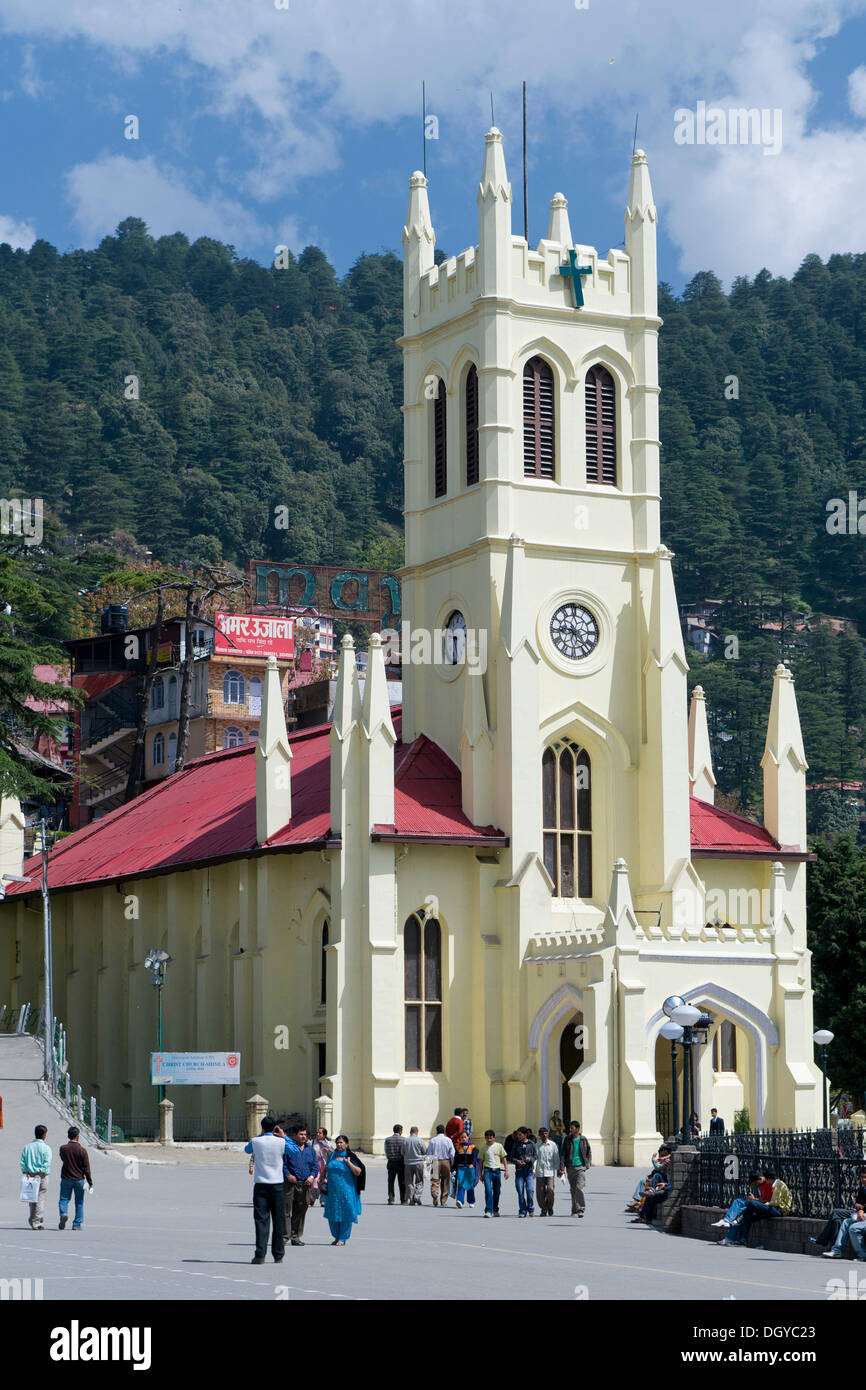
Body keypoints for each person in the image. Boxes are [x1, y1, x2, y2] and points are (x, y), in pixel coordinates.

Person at [244, 1116, 291, 1264]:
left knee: (261, 1221)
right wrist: (284, 1136)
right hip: (277, 1185)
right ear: (275, 1128)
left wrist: (261, 1135)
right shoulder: (281, 1142)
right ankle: (278, 1255)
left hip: (261, 1185)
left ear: (262, 1127)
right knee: (279, 1221)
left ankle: (260, 1254)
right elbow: (295, 1151)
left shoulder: (257, 1141)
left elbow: (247, 1149)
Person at [720, 1168, 792, 1247]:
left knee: (751, 1203)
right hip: (772, 1208)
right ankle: (742, 1241)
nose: (767, 1183)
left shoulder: (779, 1185)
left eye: (767, 1180)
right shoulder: (775, 1185)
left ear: (770, 1179)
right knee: (747, 1216)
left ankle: (733, 1221)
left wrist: (758, 1203)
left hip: (778, 1209)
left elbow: (775, 1202)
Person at [812, 1166, 866, 1250]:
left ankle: (822, 1239)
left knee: (836, 1212)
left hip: (862, 1214)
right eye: (862, 1177)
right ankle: (834, 1249)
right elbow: (858, 1203)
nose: (863, 1179)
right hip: (857, 1213)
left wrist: (860, 1209)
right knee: (837, 1221)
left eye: (865, 1177)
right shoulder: (862, 1189)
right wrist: (858, 1206)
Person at [322, 1135, 363, 1245]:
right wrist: (321, 1181)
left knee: (345, 1213)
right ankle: (336, 1236)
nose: (339, 1145)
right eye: (337, 1143)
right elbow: (326, 1169)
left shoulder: (350, 1156)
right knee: (333, 1213)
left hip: (346, 1190)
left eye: (341, 1142)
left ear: (346, 1144)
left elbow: (358, 1172)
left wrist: (349, 1163)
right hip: (332, 1191)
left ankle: (342, 1238)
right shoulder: (332, 1156)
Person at [282, 1124, 318, 1247]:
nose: (303, 1137)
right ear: (294, 1135)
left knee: (301, 1211)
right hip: (290, 1184)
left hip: (305, 1185)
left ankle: (296, 1236)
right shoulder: (288, 1149)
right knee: (286, 1210)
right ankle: (284, 1236)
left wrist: (311, 1177)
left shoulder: (310, 1150)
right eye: (301, 1134)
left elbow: (315, 1166)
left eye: (305, 1134)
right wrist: (288, 1175)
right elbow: (283, 1164)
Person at [58, 1125, 92, 1231]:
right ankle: (77, 1224)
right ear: (77, 1136)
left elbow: (63, 1159)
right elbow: (86, 1168)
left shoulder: (63, 1148)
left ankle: (63, 1213)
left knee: (64, 1199)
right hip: (79, 1179)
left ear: (68, 1136)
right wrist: (90, 1181)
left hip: (66, 1178)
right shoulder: (82, 1150)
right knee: (79, 1202)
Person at [20, 1123, 52, 1230]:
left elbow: (23, 1161)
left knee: (32, 1198)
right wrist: (41, 1173)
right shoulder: (46, 1148)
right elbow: (47, 1163)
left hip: (30, 1175)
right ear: (44, 1135)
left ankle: (32, 1219)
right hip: (42, 1176)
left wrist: (26, 1172)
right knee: (41, 1198)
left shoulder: (27, 1147)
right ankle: (37, 1221)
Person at [559, 1120, 591, 1217]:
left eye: (572, 1128)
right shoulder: (567, 1139)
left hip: (580, 1167)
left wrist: (588, 1162)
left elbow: (589, 1151)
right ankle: (574, 1209)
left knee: (579, 1188)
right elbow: (563, 1154)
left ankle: (581, 1209)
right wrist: (562, 1168)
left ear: (577, 1129)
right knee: (573, 1189)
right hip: (570, 1167)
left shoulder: (583, 1139)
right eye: (570, 1128)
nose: (570, 1130)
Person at [631, 1149, 672, 1226]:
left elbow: (673, 1185)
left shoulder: (672, 1172)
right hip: (666, 1188)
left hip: (669, 1192)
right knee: (650, 1195)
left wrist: (665, 1185)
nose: (666, 1166)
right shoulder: (668, 1172)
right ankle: (645, 1217)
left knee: (652, 1195)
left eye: (668, 1164)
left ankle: (644, 1217)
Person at [479, 1129, 509, 1217]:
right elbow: (481, 1162)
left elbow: (504, 1159)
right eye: (487, 1138)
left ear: (494, 1138)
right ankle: (488, 1210)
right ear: (485, 1138)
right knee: (488, 1190)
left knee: (497, 1191)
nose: (489, 1140)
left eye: (491, 1138)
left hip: (497, 1171)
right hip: (487, 1171)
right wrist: (480, 1174)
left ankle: (495, 1209)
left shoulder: (499, 1146)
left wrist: (506, 1170)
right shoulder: (483, 1147)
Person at [427, 1124, 455, 1207]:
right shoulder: (448, 1140)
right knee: (446, 1181)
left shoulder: (433, 1140)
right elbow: (452, 1153)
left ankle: (435, 1194)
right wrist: (452, 1163)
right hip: (446, 1161)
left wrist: (428, 1165)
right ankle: (443, 1200)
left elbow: (429, 1153)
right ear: (444, 1131)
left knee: (435, 1180)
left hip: (435, 1162)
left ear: (436, 1131)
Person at [512, 1127, 537, 1217]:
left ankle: (530, 1208)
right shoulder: (516, 1144)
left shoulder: (532, 1144)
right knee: (520, 1191)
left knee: (530, 1190)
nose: (518, 1136)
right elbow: (511, 1157)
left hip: (529, 1171)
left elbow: (535, 1156)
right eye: (517, 1134)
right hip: (519, 1171)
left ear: (525, 1134)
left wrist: (530, 1159)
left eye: (520, 1134)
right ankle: (522, 1210)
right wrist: (517, 1161)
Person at [535, 1127, 560, 1217]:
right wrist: (534, 1170)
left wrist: (558, 1170)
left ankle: (550, 1206)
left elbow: (556, 1158)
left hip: (550, 1171)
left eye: (546, 1133)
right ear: (539, 1135)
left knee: (550, 1189)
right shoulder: (537, 1145)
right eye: (542, 1134)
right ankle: (543, 1208)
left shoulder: (553, 1145)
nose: (544, 1135)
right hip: (540, 1171)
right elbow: (535, 1159)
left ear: (548, 1134)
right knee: (540, 1191)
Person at [453, 1131, 481, 1209]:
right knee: (461, 1185)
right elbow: (455, 1159)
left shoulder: (473, 1147)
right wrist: (454, 1169)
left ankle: (471, 1201)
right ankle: (460, 1201)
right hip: (461, 1169)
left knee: (470, 1185)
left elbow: (475, 1157)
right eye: (462, 1137)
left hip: (470, 1169)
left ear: (468, 1137)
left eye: (465, 1137)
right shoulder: (458, 1147)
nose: (463, 1138)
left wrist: (472, 1163)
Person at [403, 1126, 427, 1205]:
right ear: (417, 1132)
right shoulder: (419, 1140)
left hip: (408, 1164)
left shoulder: (405, 1140)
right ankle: (417, 1196)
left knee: (409, 1181)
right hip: (418, 1163)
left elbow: (402, 1152)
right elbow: (424, 1151)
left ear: (410, 1132)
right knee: (419, 1180)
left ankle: (411, 1198)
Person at [311, 1127, 335, 1205]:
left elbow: (333, 1154)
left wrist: (328, 1152)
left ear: (324, 1135)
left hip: (325, 1166)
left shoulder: (328, 1144)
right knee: (315, 1182)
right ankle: (313, 1197)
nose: (318, 1134)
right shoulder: (313, 1142)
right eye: (317, 1132)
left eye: (320, 1133)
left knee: (324, 1183)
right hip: (315, 1166)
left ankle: (323, 1201)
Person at [384, 1124, 407, 1205]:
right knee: (402, 1182)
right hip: (401, 1162)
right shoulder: (404, 1139)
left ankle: (391, 1198)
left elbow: (386, 1151)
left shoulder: (387, 1140)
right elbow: (405, 1152)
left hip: (391, 1162)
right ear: (400, 1131)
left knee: (391, 1181)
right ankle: (403, 1199)